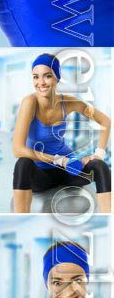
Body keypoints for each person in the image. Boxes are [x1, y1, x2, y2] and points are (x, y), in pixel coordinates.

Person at [12, 53, 110, 213]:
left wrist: (98, 154)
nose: (40, 82)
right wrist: (59, 160)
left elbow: (105, 121)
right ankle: (17, 218)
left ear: (57, 78)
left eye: (47, 76)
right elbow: (17, 149)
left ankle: (109, 218)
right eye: (35, 77)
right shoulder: (29, 102)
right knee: (22, 163)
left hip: (68, 170)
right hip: (42, 173)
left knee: (100, 167)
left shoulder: (68, 102)